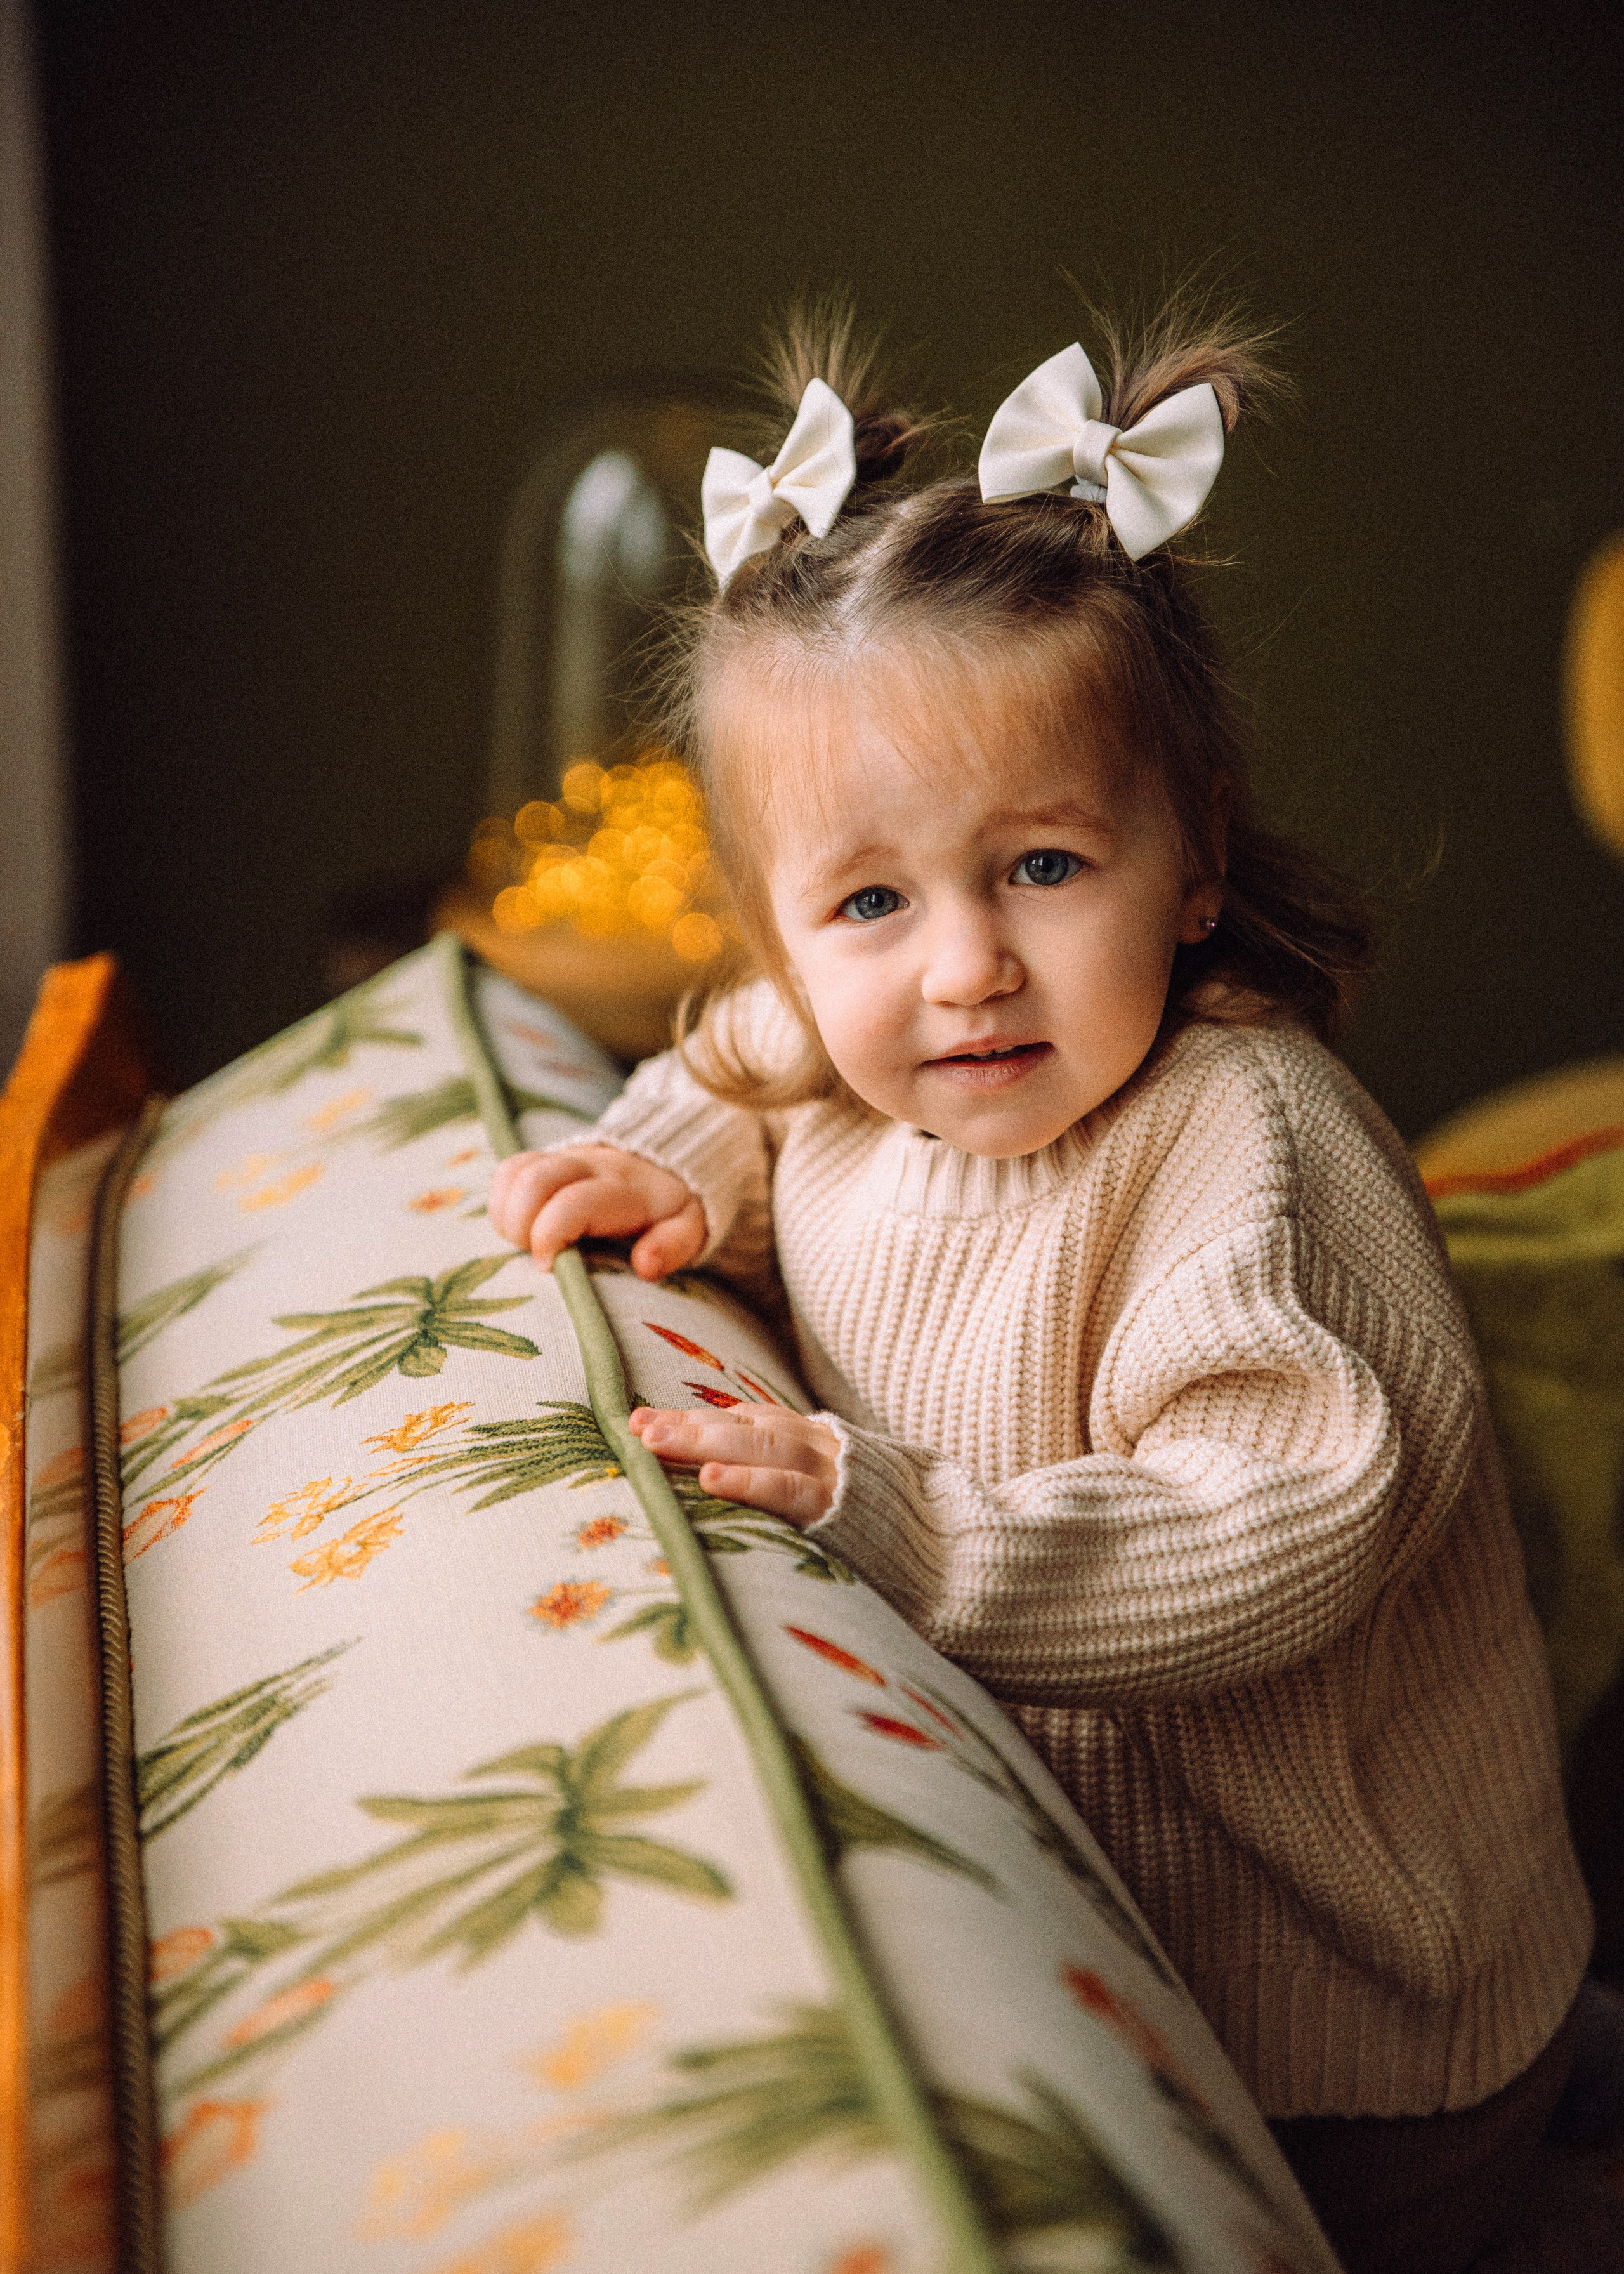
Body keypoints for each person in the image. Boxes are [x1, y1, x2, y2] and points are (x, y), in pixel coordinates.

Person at [489, 301, 1600, 2271]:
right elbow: (745, 1071)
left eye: (1044, 868)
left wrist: (896, 1523)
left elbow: (1282, 1525)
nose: (961, 969)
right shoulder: (830, 1037)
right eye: (870, 902)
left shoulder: (1245, 1146)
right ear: (778, 923)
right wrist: (668, 1159)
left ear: (1191, 859)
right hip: (1104, 1919)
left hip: (1336, 2012)